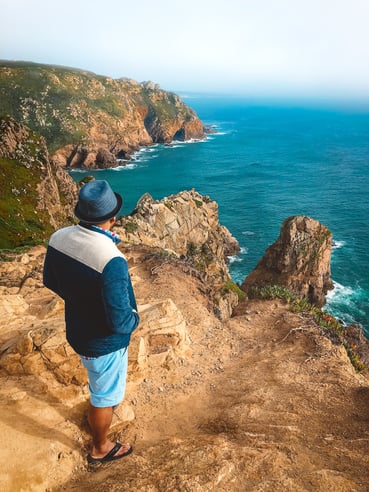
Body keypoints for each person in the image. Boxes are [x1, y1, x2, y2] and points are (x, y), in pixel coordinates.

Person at [43, 179, 140, 464]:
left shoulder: (58, 237)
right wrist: (135, 319)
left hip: (77, 328)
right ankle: (100, 446)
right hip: (103, 342)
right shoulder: (111, 259)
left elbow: (51, 280)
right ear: (113, 218)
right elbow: (120, 319)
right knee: (103, 396)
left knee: (98, 380)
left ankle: (98, 416)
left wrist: (80, 298)